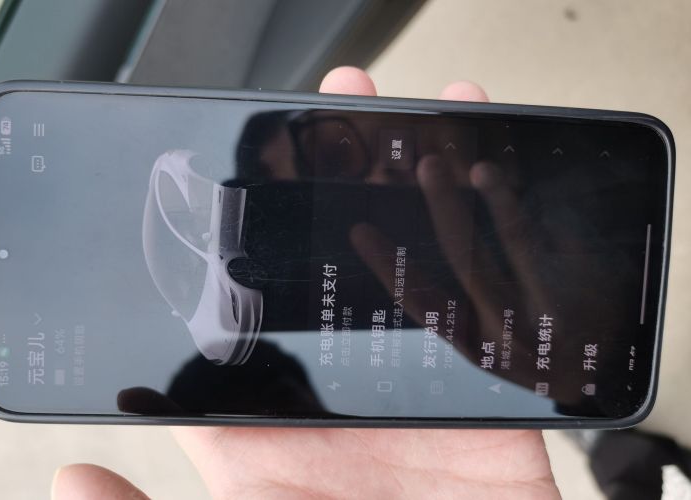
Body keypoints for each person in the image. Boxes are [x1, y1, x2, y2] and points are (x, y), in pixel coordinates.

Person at [50, 67, 561, 500]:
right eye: (336, 218)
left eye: (334, 156)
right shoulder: (534, 349)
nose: (377, 184)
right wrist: (569, 387)